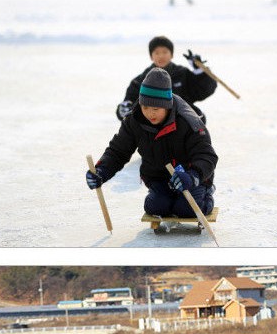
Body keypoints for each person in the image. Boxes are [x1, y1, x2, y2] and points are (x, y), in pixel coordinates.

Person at [86, 68, 218, 218]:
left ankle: (206, 193)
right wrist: (101, 171)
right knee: (156, 207)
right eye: (145, 107)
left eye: (155, 108)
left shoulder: (188, 120)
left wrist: (193, 176)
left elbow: (206, 155)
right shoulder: (134, 119)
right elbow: (118, 151)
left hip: (189, 177)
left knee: (186, 209)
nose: (150, 113)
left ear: (167, 105)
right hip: (159, 177)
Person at [117, 35, 217, 123]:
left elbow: (205, 89)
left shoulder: (182, 73)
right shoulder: (142, 79)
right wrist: (123, 109)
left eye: (165, 52)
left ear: (171, 54)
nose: (161, 56)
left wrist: (200, 70)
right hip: (153, 128)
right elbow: (128, 106)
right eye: (157, 53)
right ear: (151, 56)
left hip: (182, 124)